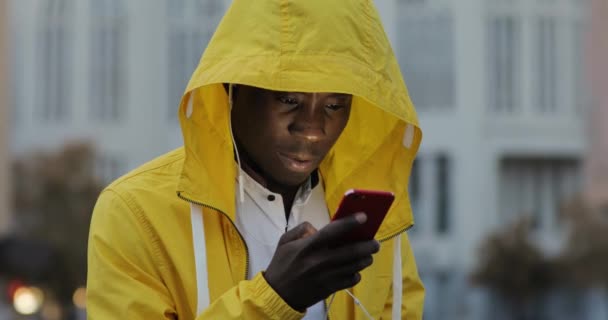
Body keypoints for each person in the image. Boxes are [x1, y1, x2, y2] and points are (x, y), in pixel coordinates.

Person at [86, 0, 425, 319]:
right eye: (288, 99)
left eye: (334, 106)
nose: (312, 129)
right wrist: (275, 298)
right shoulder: (136, 212)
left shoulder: (376, 223)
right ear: (231, 88)